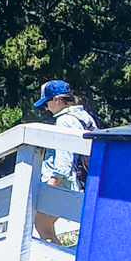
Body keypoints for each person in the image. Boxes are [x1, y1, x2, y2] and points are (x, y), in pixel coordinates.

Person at [32, 80, 97, 245]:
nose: (46, 108)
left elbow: (63, 161)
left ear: (57, 100)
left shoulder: (63, 121)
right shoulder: (84, 117)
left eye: (46, 103)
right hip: (86, 181)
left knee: (42, 225)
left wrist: (50, 186)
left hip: (65, 184)